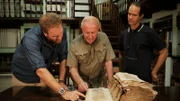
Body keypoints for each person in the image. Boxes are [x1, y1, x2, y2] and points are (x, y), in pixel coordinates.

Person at [11, 13, 85, 100]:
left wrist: (61, 81)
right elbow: (40, 70)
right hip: (24, 78)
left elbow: (63, 58)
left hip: (45, 77)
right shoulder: (31, 38)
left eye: (61, 34)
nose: (60, 38)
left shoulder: (60, 33)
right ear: (45, 33)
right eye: (55, 36)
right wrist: (63, 92)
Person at [119, 1, 168, 82]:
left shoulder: (149, 32)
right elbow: (121, 54)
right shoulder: (123, 34)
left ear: (141, 16)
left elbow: (164, 52)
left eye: (134, 15)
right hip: (127, 80)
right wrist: (120, 73)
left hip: (143, 80)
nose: (130, 17)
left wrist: (154, 72)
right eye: (129, 14)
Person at [67, 16, 116, 92]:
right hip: (81, 80)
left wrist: (110, 81)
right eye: (87, 33)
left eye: (93, 33)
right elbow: (73, 68)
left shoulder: (104, 38)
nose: (90, 36)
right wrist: (80, 83)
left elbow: (108, 61)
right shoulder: (74, 44)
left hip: (98, 79)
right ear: (82, 30)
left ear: (98, 30)